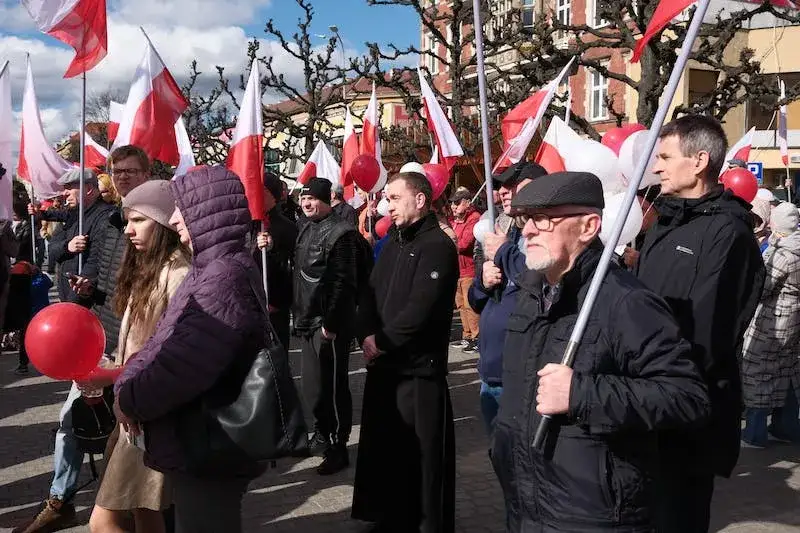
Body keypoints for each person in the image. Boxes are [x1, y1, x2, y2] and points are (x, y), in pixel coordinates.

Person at [491, 171, 710, 532]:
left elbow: (686, 396)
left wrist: (581, 393)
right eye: (525, 218)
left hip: (592, 513)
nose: (527, 230)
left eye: (543, 219)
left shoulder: (625, 301)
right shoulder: (533, 293)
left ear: (589, 226)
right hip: (527, 502)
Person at [113, 165, 266, 533]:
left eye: (182, 208)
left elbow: (184, 364)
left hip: (211, 439)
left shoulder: (222, 276)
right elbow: (160, 341)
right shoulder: (208, 269)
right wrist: (128, 379)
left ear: (207, 211)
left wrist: (130, 397)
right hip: (196, 435)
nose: (175, 218)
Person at [635, 115, 765, 533]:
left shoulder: (729, 233)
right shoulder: (663, 221)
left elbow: (708, 334)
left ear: (699, 162)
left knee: (678, 517)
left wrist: (650, 380)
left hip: (684, 408)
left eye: (666, 157)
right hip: (643, 402)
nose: (656, 166)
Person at [352, 171, 459, 533]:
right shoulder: (394, 241)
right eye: (387, 199)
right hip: (384, 367)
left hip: (417, 371)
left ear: (420, 199)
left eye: (395, 198)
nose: (388, 206)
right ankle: (388, 516)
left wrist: (379, 341)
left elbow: (420, 308)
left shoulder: (438, 247)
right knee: (387, 453)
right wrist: (365, 332)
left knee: (422, 458)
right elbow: (369, 291)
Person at [12, 169, 115, 533]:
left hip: (98, 333)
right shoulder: (74, 218)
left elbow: (112, 272)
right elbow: (51, 253)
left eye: (70, 189)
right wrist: (69, 247)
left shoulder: (108, 220)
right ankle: (65, 498)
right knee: (75, 422)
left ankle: (78, 500)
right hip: (76, 328)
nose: (65, 195)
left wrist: (92, 287)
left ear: (88, 190)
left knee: (79, 421)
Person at [85, 181, 190, 533]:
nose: (128, 230)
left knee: (103, 521)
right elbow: (135, 345)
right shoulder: (149, 268)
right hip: (133, 409)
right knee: (145, 512)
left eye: (138, 220)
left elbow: (168, 355)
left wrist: (112, 378)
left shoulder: (178, 274)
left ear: (162, 223)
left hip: (150, 413)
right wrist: (109, 372)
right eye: (127, 220)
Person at [468, 162, 544, 434]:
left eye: (513, 186)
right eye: (500, 187)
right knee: (500, 458)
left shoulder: (541, 242)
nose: (503, 192)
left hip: (522, 377)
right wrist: (483, 283)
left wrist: (505, 252)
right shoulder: (504, 232)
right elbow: (475, 299)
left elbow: (537, 284)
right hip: (492, 371)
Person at [293, 177, 359, 475]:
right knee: (312, 388)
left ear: (325, 199)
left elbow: (343, 284)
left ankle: (337, 445)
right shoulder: (306, 227)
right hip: (307, 321)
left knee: (332, 388)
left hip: (327, 326)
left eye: (311, 199)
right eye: (302, 199)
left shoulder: (341, 234)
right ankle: (321, 434)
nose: (306, 203)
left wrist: (330, 325)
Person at [741, 202, 800, 448]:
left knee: (759, 371)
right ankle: (786, 428)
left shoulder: (783, 253)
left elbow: (763, 288)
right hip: (795, 318)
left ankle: (755, 433)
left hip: (773, 318)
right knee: (787, 371)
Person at [253, 173, 298, 350]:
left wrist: (278, 302)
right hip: (253, 304)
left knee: (276, 359)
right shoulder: (249, 224)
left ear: (272, 195)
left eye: (261, 191)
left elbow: (292, 268)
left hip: (274, 306)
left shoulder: (287, 227)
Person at [449, 189, 481, 353]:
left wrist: (450, 241)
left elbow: (463, 243)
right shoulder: (456, 221)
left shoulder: (473, 219)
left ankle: (477, 338)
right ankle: (467, 335)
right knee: (461, 305)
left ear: (467, 202)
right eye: (453, 203)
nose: (453, 206)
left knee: (470, 305)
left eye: (457, 202)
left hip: (469, 269)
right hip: (458, 269)